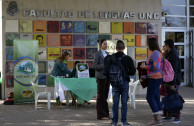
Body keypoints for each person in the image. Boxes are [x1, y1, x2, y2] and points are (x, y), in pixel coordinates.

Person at [104, 40, 136, 126]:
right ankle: (124, 122)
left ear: (116, 48)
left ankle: (114, 122)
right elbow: (133, 72)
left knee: (115, 103)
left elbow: (106, 71)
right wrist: (126, 73)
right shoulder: (128, 58)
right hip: (125, 82)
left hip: (114, 83)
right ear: (124, 48)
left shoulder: (111, 58)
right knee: (124, 103)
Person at [140, 37, 163, 125]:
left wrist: (145, 67)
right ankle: (159, 117)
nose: (147, 45)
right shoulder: (156, 53)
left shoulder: (155, 53)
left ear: (151, 44)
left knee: (149, 97)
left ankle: (157, 118)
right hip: (156, 77)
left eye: (148, 43)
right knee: (156, 97)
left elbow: (156, 66)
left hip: (154, 78)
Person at [162, 39, 182, 123]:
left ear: (167, 46)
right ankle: (169, 115)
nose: (163, 47)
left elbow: (174, 70)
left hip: (173, 81)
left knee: (175, 98)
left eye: (164, 45)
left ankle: (177, 117)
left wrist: (173, 83)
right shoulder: (170, 54)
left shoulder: (173, 55)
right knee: (169, 97)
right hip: (170, 80)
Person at [92, 39, 110, 120]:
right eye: (104, 44)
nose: (106, 45)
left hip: (107, 77)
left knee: (105, 96)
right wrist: (104, 65)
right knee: (100, 96)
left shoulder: (107, 53)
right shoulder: (98, 54)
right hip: (100, 77)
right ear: (100, 45)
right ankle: (100, 115)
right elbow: (94, 66)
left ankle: (106, 114)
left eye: (106, 44)